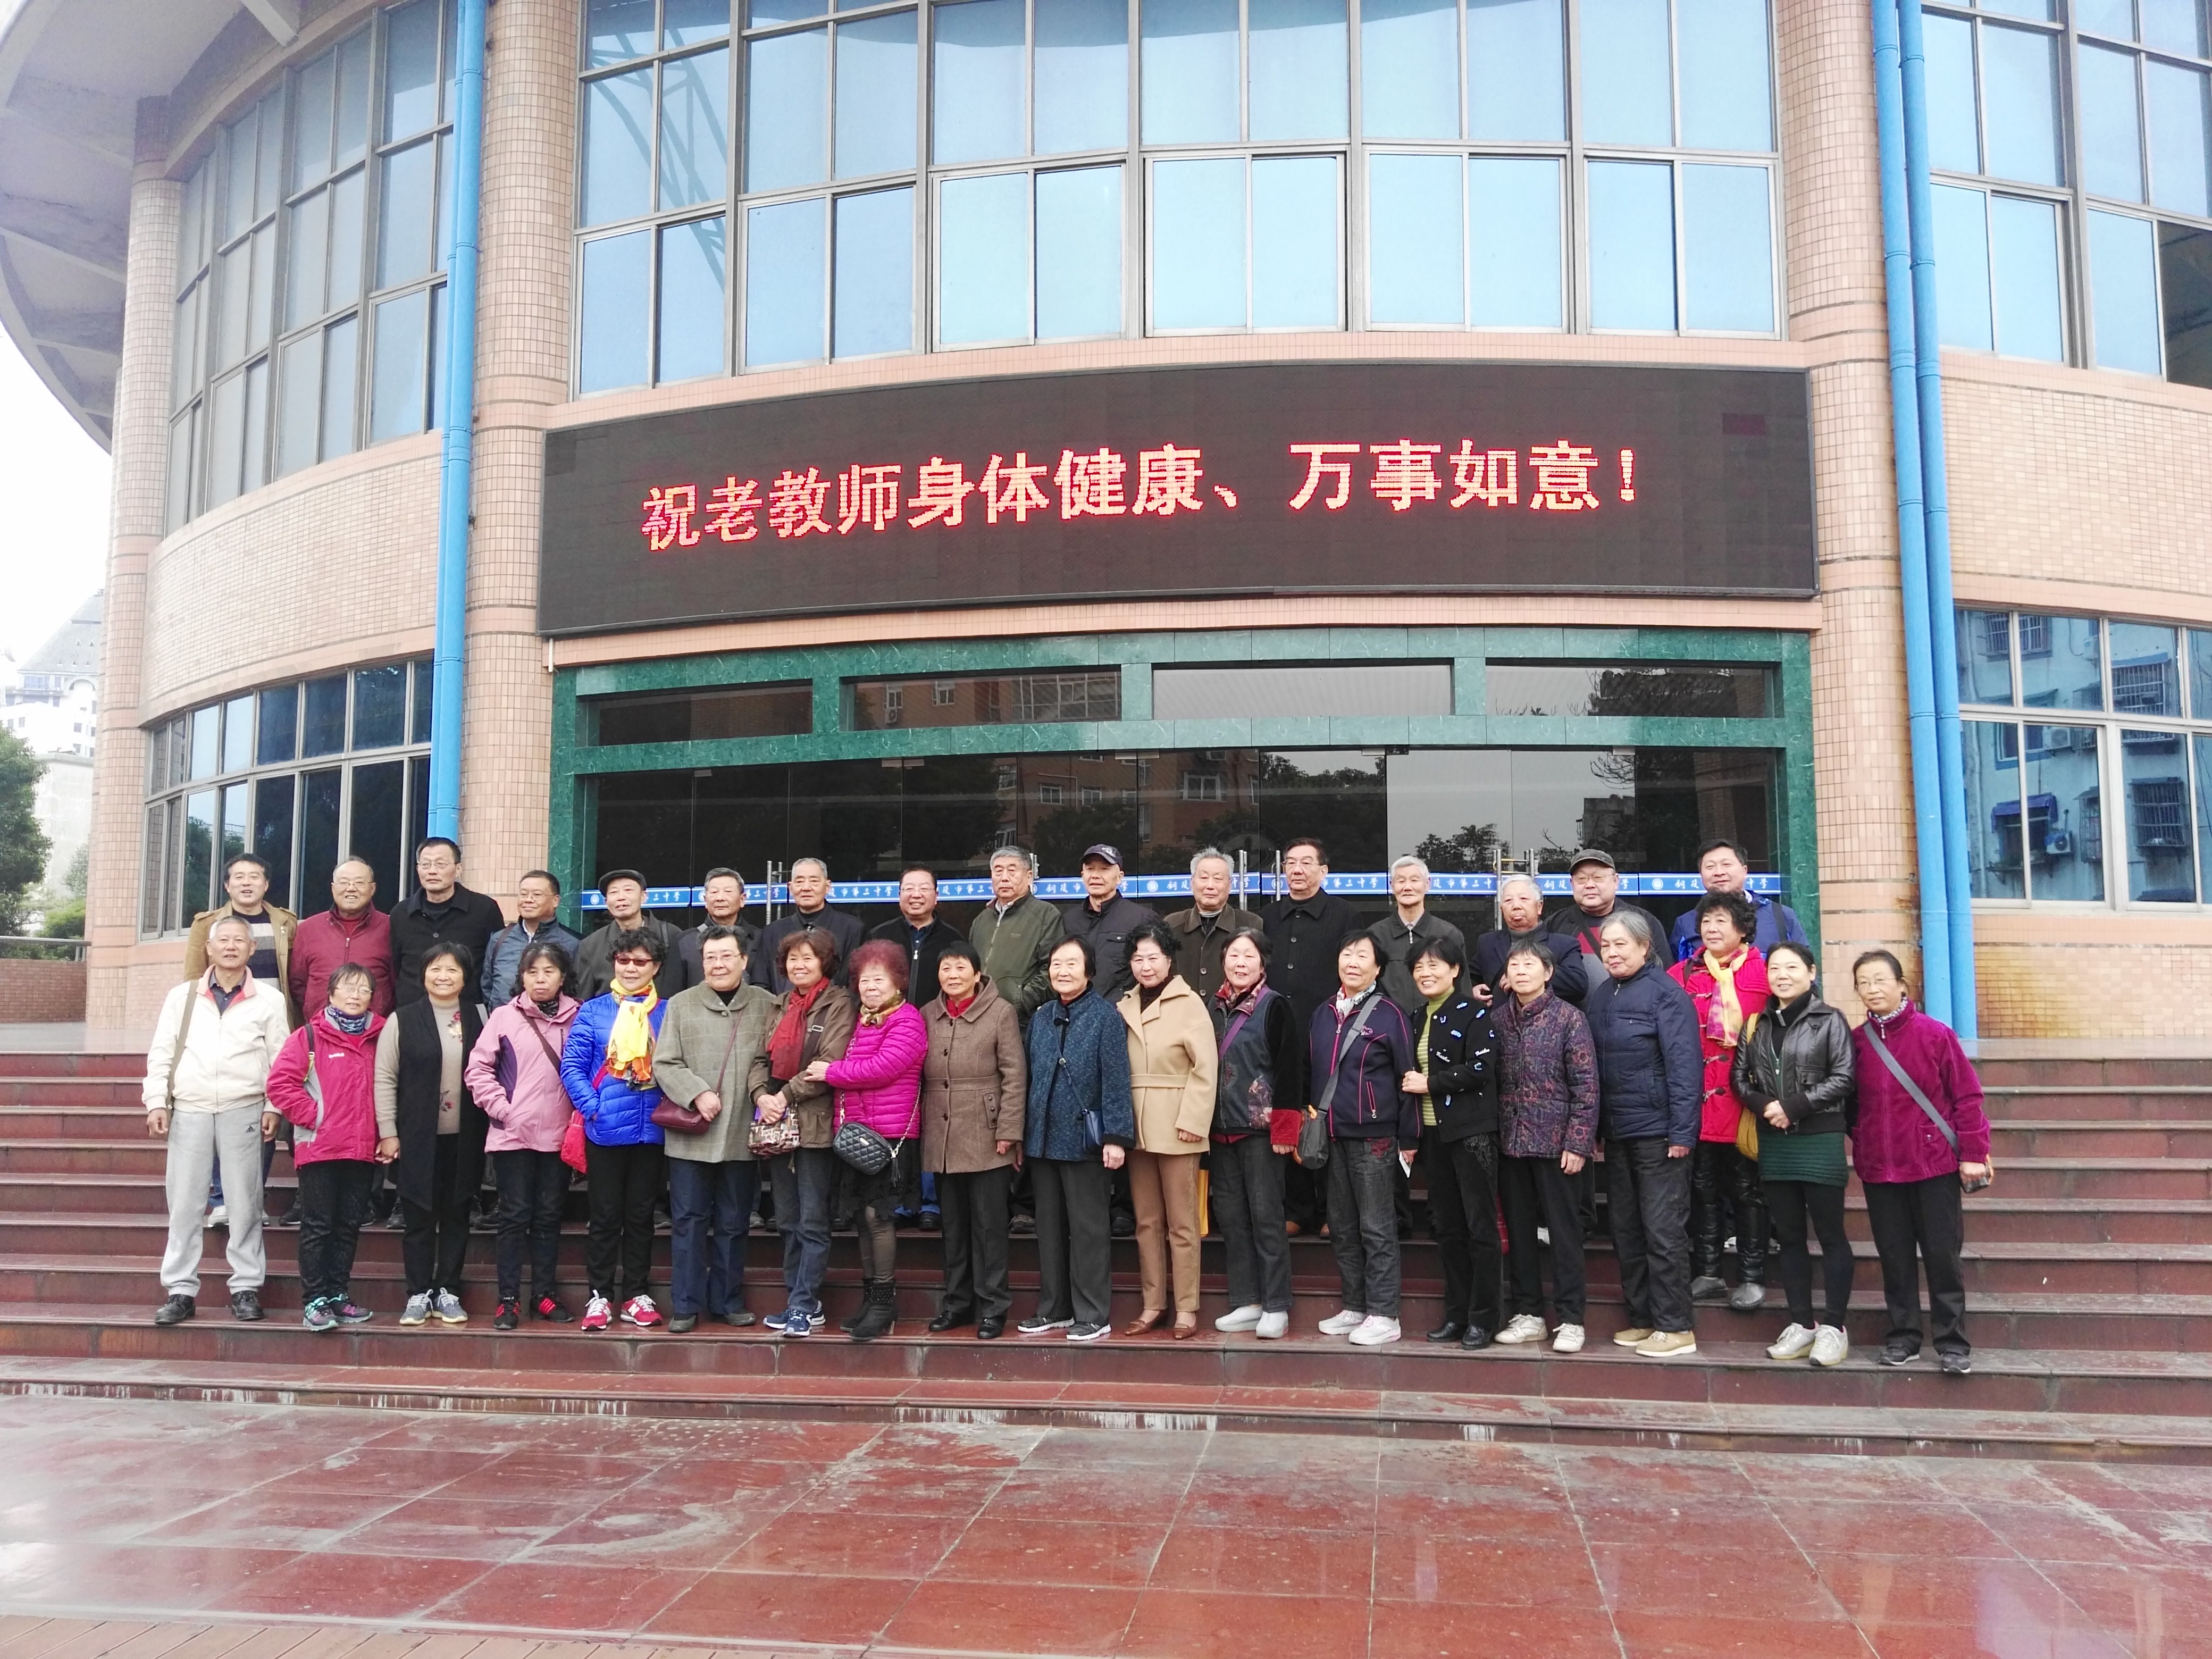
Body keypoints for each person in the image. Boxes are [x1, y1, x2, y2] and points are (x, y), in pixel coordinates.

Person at [1850, 949, 1992, 1376]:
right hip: (1880, 1168)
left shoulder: (1935, 1035)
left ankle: (1952, 1342)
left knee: (1942, 1256)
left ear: (1901, 985)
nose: (1873, 989)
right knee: (1894, 1257)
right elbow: (1849, 1105)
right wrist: (1864, 1138)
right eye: (1864, 983)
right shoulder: (1856, 1042)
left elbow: (1967, 1097)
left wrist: (1974, 1153)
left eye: (1880, 980)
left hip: (1934, 1164)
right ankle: (1904, 1337)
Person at [144, 914, 289, 1326]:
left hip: (245, 1107)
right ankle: (180, 1290)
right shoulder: (183, 996)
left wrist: (274, 1107)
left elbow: (282, 1059)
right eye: (222, 940)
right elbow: (162, 1052)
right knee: (185, 1203)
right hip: (190, 1107)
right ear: (208, 948)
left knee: (245, 1203)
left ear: (252, 949)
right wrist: (156, 1101)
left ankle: (246, 1287)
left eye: (239, 941)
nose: (230, 947)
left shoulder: (269, 1000)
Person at [1584, 910, 1703, 1359]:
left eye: (1621, 945)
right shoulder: (1602, 995)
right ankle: (1643, 1319)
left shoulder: (1667, 995)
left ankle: (1676, 1326)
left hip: (1660, 1134)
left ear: (1644, 946)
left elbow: (1685, 1068)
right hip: (1618, 1133)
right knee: (1626, 1229)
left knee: (1662, 1231)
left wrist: (1683, 1133)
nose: (1612, 953)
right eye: (1606, 946)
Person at [1732, 941, 1857, 1368]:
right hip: (1776, 1141)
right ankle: (1802, 1323)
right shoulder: (1758, 1023)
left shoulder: (1830, 1019)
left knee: (1830, 1235)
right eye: (1774, 969)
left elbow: (1844, 1077)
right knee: (1788, 1236)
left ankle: (1834, 1328)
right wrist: (1765, 1105)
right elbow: (1739, 1077)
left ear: (1811, 972)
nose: (1782, 976)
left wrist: (1794, 1107)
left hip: (1819, 1139)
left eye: (1791, 967)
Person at [653, 924, 780, 1333]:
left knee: (733, 1222)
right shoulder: (681, 1004)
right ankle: (686, 1305)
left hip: (741, 1133)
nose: (718, 964)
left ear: (744, 960)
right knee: (689, 1221)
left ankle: (727, 1300)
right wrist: (696, 1094)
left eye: (727, 956)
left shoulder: (766, 1004)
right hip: (692, 1135)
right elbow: (664, 1062)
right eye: (710, 957)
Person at [805, 939, 927, 1341]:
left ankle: (885, 1302)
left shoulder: (908, 1020)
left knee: (878, 1217)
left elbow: (883, 1068)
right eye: (864, 980)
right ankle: (870, 1297)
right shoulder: (860, 1020)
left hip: (890, 1136)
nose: (871, 987)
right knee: (861, 1218)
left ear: (898, 982)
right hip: (857, 1135)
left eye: (880, 979)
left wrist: (831, 1072)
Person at [1018, 936, 1134, 1342]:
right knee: (1049, 1228)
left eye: (1071, 963)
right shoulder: (1042, 1016)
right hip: (1043, 1139)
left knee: (1088, 1230)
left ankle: (1093, 1313)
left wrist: (1116, 1137)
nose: (1062, 971)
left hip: (1087, 1141)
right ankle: (1056, 1308)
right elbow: (1030, 1077)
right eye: (1056, 964)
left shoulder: (1105, 1017)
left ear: (1089, 970)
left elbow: (1117, 1079)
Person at [559, 927, 673, 1333]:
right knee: (605, 1216)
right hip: (605, 1131)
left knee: (641, 1217)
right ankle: (600, 1295)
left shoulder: (669, 1011)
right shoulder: (594, 1011)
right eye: (623, 961)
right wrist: (594, 1109)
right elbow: (572, 1067)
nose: (630, 968)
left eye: (640, 962)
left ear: (656, 967)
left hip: (653, 1131)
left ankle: (637, 1293)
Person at [1309, 932, 1419, 1347]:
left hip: (1376, 1136)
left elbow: (1407, 1077)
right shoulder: (1323, 1013)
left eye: (1362, 956)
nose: (1352, 962)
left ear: (1378, 968)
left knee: (1377, 1227)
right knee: (1342, 1226)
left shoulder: (1390, 1014)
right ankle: (1355, 1306)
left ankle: (1385, 1314)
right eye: (1347, 953)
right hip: (1333, 1135)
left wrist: (1409, 1136)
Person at [466, 938, 581, 1328]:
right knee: (514, 1217)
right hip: (513, 1136)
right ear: (522, 977)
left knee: (549, 1217)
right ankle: (508, 1298)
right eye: (532, 972)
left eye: (549, 971)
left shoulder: (579, 1016)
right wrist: (503, 1110)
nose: (540, 979)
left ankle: (544, 1294)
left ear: (563, 976)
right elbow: (478, 1070)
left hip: (559, 1136)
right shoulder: (503, 1016)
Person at [749, 928, 857, 1337]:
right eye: (793, 958)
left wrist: (783, 1095)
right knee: (788, 1219)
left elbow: (829, 1063)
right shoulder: (779, 1004)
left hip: (815, 1124)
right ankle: (797, 1298)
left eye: (808, 958)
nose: (799, 965)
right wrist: (761, 1095)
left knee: (813, 1219)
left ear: (825, 962)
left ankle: (805, 1304)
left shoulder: (839, 1003)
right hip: (777, 1124)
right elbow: (759, 1059)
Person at [1668, 891, 1773, 1312]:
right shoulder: (1680, 974)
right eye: (1706, 921)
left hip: (1747, 1102)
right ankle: (1709, 1273)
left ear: (1744, 929)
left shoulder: (1767, 972)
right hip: (1696, 1102)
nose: (1711, 929)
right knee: (1703, 1189)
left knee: (1748, 1191)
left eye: (1721, 921)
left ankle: (1752, 1276)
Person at [1492, 940, 1598, 1353]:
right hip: (1510, 1142)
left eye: (1530, 964)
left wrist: (1578, 1142)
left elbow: (1587, 1087)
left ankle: (1571, 1319)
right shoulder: (1498, 1020)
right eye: (1514, 965)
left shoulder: (1569, 1018)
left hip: (1557, 1145)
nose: (1521, 971)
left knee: (1564, 1234)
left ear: (1548, 973)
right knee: (1520, 1234)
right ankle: (1529, 1314)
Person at [266, 962, 385, 1330]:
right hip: (320, 1147)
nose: (355, 996)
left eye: (363, 989)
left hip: (362, 1148)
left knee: (349, 1225)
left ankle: (338, 1294)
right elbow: (280, 1084)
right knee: (318, 1225)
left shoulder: (382, 1035)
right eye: (347, 988)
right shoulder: (308, 1037)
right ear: (331, 994)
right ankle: (315, 1299)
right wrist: (316, 1116)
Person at [376, 941, 488, 1326]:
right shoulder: (402, 1019)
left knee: (457, 1215)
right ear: (423, 974)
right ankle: (418, 1292)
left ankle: (449, 1290)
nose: (443, 976)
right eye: (435, 969)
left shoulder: (481, 1017)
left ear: (465, 976)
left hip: (467, 1135)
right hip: (416, 1137)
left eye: (452, 969)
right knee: (419, 1218)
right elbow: (385, 1078)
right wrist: (388, 1131)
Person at [1115, 920, 1217, 1339]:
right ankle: (1153, 1303)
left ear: (1169, 960)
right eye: (1138, 958)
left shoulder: (1189, 1003)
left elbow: (1205, 1068)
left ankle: (1187, 1307)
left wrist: (1193, 1121)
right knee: (1147, 1221)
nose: (1145, 966)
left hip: (1177, 1123)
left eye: (1153, 958)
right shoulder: (1124, 1004)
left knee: (1183, 1223)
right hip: (1136, 1126)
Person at [1399, 936, 1502, 1349]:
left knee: (1480, 1227)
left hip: (1472, 1132)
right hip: (1433, 1136)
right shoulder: (1415, 1017)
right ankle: (1457, 1315)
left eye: (1435, 965)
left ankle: (1484, 1318)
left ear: (1456, 970)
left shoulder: (1473, 1012)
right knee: (1448, 1228)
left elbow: (1481, 1068)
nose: (1426, 973)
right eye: (1419, 967)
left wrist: (1431, 1083)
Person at [918, 941, 1025, 1338]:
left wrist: (1009, 1130)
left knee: (989, 1228)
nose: (953, 975)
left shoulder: (1000, 1012)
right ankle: (957, 1304)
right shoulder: (927, 1014)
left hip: (987, 1132)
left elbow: (1014, 1075)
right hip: (942, 1134)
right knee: (954, 1228)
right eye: (946, 968)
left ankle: (994, 1307)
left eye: (961, 967)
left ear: (977, 973)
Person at [1259, 836, 1361, 1235]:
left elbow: (1355, 969)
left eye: (1306, 862)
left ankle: (1333, 1210)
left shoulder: (1345, 915)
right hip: (1278, 1034)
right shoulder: (1266, 918)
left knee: (1328, 1116)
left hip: (1329, 1032)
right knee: (1290, 1112)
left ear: (1324, 870)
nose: (1297, 870)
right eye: (1290, 863)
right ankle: (1298, 1209)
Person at [1208, 928, 1301, 1340]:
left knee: (1267, 1220)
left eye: (1249, 956)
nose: (1240, 963)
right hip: (1220, 1130)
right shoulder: (1212, 1007)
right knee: (1232, 1220)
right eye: (1234, 955)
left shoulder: (1274, 1006)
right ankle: (1247, 1302)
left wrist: (1286, 1128)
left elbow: (1290, 1069)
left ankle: (1276, 1306)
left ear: (1263, 963)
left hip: (1261, 1133)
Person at [183, 853, 299, 1023]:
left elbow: (295, 977)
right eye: (239, 877)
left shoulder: (287, 923)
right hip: (225, 1015)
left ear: (266, 884)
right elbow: (194, 977)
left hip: (273, 1015)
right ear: (227, 885)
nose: (246, 883)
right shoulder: (206, 925)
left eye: (254, 877)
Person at [389, 837, 505, 1007]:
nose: (432, 871)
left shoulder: (484, 910)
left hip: (467, 1011)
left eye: (441, 864)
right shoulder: (400, 913)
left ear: (458, 869)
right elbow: (395, 966)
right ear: (418, 869)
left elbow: (495, 964)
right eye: (426, 864)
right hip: (411, 1011)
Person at [1670, 839, 1810, 963]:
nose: (1719, 872)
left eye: (1726, 864)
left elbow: (1804, 969)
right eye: (1710, 867)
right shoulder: (1686, 923)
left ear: (1745, 870)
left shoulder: (1780, 915)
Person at [290, 857, 395, 1023]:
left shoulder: (390, 927)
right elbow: (298, 983)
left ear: (373, 888)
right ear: (333, 888)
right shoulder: (308, 929)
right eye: (344, 883)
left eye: (359, 883)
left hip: (374, 1029)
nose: (351, 889)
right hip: (320, 1028)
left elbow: (397, 982)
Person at [1546, 849, 1665, 993]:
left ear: (1616, 881)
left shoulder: (1644, 921)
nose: (1590, 885)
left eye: (1598, 878)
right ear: (1572, 883)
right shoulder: (1556, 924)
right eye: (1582, 879)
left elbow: (1664, 974)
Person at [971, 846, 1065, 1023]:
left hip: (1022, 1021)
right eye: (998, 871)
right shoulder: (981, 920)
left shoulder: (1046, 915)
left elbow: (1053, 969)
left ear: (1029, 877)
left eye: (1012, 871)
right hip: (978, 1018)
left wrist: (1021, 1002)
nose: (1004, 878)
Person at [1368, 856, 1470, 1013]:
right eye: (1401, 881)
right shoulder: (1375, 936)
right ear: (1392, 886)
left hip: (1440, 1022)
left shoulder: (1449, 934)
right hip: (1389, 1023)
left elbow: (1463, 989)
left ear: (1427, 884)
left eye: (1414, 880)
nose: (1407, 887)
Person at [749, 858, 865, 994]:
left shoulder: (852, 929)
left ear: (828, 887)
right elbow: (761, 984)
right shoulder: (772, 932)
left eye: (814, 881)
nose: (806, 888)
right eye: (799, 882)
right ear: (790, 888)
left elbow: (855, 985)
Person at [1161, 849, 1263, 1001]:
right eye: (1204, 878)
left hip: (1234, 1012)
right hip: (1183, 1013)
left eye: (1218, 879)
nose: (1210, 886)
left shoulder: (1250, 924)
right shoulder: (1172, 924)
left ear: (1230, 885)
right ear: (1192, 882)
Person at [573, 869, 690, 1001]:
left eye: (628, 890)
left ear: (643, 897)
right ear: (606, 902)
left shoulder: (672, 935)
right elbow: (582, 999)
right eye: (614, 892)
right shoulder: (591, 946)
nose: (621, 897)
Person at [1472, 875, 1587, 1008]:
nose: (1516, 906)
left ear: (1539, 907)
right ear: (1502, 909)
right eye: (1508, 901)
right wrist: (1473, 990)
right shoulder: (1488, 943)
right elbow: (1467, 976)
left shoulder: (1564, 944)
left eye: (1524, 899)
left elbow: (1578, 984)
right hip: (1499, 1020)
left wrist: (1528, 976)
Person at [1062, 843, 1158, 1002]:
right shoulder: (1069, 920)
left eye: (1104, 869)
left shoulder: (1141, 918)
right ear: (1083, 875)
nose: (1095, 876)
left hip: (1123, 1012)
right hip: (1076, 1011)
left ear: (1120, 877)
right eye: (1090, 869)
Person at [483, 869, 581, 1009]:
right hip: (504, 1019)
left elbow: (578, 990)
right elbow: (487, 987)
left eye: (537, 895)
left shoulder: (573, 943)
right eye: (523, 894)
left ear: (556, 901)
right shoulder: (499, 939)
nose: (528, 900)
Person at [868, 867, 963, 1010]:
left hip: (938, 1020)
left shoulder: (953, 939)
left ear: (936, 896)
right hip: (889, 1020)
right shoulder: (879, 936)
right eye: (909, 889)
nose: (916, 895)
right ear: (899, 895)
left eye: (924, 889)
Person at [676, 867, 761, 987]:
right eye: (714, 892)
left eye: (728, 892)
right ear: (705, 900)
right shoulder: (684, 942)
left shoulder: (761, 939)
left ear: (742, 899)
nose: (720, 898)